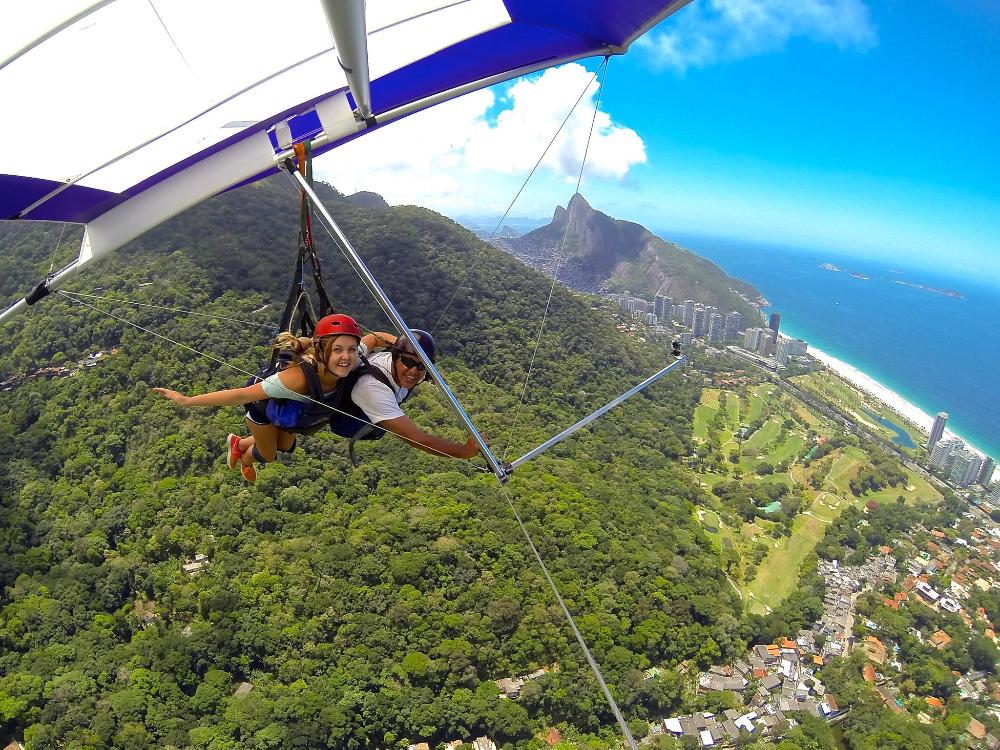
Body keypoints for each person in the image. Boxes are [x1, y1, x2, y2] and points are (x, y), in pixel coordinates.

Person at [154, 313, 368, 483]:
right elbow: (241, 394)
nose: (346, 357)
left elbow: (374, 338)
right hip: (261, 409)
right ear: (322, 351)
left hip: (285, 408)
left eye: (351, 350)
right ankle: (245, 460)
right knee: (269, 454)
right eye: (337, 350)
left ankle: (238, 443)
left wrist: (397, 344)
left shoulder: (351, 362)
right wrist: (187, 401)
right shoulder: (296, 378)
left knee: (286, 446)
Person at [331, 328, 484, 461]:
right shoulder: (372, 388)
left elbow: (375, 337)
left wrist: (405, 344)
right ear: (395, 356)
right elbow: (416, 438)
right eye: (408, 362)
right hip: (353, 421)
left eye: (422, 365)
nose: (413, 371)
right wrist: (464, 451)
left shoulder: (401, 363)